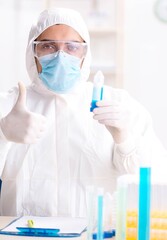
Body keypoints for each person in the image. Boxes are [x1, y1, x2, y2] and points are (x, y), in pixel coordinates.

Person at [0, 8, 165, 217]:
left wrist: (125, 141)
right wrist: (2, 134)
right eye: (48, 46)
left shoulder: (117, 104)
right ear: (32, 50)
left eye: (72, 47)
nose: (60, 56)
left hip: (95, 233)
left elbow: (153, 184)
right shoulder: (9, 105)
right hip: (22, 234)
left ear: (84, 53)